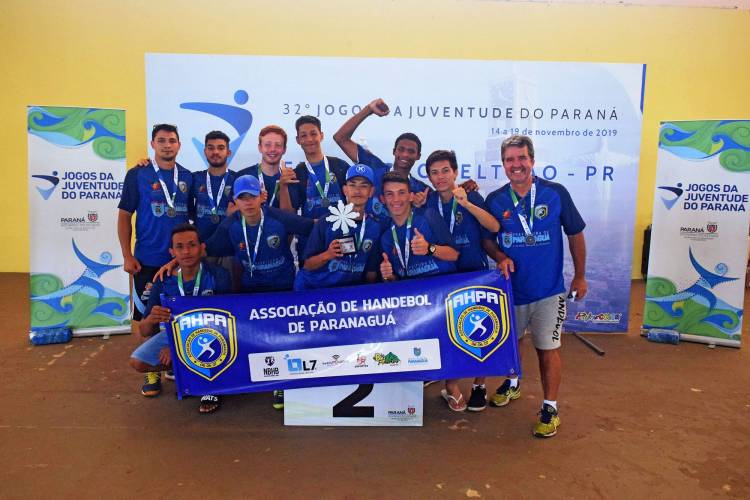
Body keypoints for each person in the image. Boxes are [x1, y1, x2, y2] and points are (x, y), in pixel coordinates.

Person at [483, 135, 587, 438]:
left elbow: (576, 234)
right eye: (510, 160)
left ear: (532, 160)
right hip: (510, 290)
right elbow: (487, 239)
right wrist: (500, 256)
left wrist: (580, 276)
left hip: (548, 291)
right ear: (503, 164)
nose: (516, 165)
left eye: (521, 158)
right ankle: (513, 384)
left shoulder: (555, 193)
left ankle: (550, 407)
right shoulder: (496, 200)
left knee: (547, 349)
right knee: (511, 344)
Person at [205, 175, 314, 410]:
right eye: (242, 198)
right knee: (257, 338)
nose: (248, 203)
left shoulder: (277, 218)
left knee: (283, 337)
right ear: (235, 200)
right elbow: (206, 250)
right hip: (251, 290)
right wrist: (176, 264)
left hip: (282, 288)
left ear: (261, 197)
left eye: (252, 197)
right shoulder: (230, 224)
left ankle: (281, 384)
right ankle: (259, 379)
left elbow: (311, 227)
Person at [424, 150, 500, 412]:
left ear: (455, 172)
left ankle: (479, 385)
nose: (441, 176)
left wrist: (467, 204)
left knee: (481, 332)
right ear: (430, 177)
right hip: (444, 276)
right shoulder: (429, 202)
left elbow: (493, 227)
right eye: (434, 172)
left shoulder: (472, 195)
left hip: (474, 272)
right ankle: (451, 385)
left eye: (445, 170)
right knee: (450, 333)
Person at [129, 224, 231, 414]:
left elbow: (227, 322)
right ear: (172, 252)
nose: (186, 251)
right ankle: (186, 370)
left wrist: (178, 349)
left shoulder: (218, 275)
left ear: (202, 248)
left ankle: (210, 385)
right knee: (137, 362)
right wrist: (151, 319)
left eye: (192, 245)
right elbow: (143, 331)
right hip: (174, 334)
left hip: (212, 335)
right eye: (180, 247)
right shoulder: (163, 279)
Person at [118, 124, 194, 321]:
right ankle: (146, 352)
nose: (167, 145)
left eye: (172, 141)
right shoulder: (137, 174)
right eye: (161, 140)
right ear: (152, 144)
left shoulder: (188, 177)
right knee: (146, 319)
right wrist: (127, 255)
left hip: (179, 261)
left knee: (179, 316)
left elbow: (194, 217)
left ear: (179, 145)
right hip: (146, 261)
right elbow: (124, 215)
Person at [333, 99, 430, 214]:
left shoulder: (422, 191)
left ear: (418, 156)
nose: (405, 154)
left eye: (411, 151)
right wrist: (368, 110)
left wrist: (419, 206)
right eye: (401, 149)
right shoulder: (374, 167)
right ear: (394, 151)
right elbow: (340, 138)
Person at [294, 164, 382, 290]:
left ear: (371, 192)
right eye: (353, 185)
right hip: (314, 290)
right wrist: (328, 254)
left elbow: (371, 273)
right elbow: (308, 265)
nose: (358, 191)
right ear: (345, 190)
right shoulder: (327, 221)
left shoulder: (374, 227)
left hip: (345, 295)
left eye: (364, 186)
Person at [288, 116, 350, 260]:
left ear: (321, 135)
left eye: (313, 133)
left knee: (346, 273)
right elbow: (290, 213)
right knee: (312, 274)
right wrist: (284, 186)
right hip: (311, 239)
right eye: (304, 135)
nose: (309, 139)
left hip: (343, 235)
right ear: (298, 140)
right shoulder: (298, 173)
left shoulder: (340, 166)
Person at [379, 171, 458, 280]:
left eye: (401, 192)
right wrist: (388, 276)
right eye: (389, 194)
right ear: (382, 199)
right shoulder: (386, 238)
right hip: (415, 296)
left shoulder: (428, 216)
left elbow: (454, 254)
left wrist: (429, 248)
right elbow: (397, 281)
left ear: (411, 196)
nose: (396, 199)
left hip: (442, 292)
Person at [235, 125, 297, 211]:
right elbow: (230, 212)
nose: (272, 149)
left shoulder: (291, 178)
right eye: (267, 145)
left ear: (284, 149)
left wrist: (283, 187)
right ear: (260, 148)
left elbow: (291, 217)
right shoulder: (243, 176)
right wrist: (254, 202)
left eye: (278, 145)